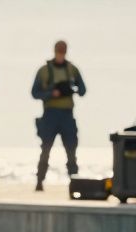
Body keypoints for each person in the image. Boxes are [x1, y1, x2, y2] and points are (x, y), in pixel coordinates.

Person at [30, 40, 86, 191]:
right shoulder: (44, 71)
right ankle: (39, 182)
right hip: (50, 115)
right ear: (54, 51)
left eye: (63, 51)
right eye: (59, 51)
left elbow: (82, 90)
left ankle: (75, 184)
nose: (61, 54)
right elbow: (34, 93)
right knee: (45, 150)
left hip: (67, 115)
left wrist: (71, 88)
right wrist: (51, 93)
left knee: (71, 151)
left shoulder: (72, 70)